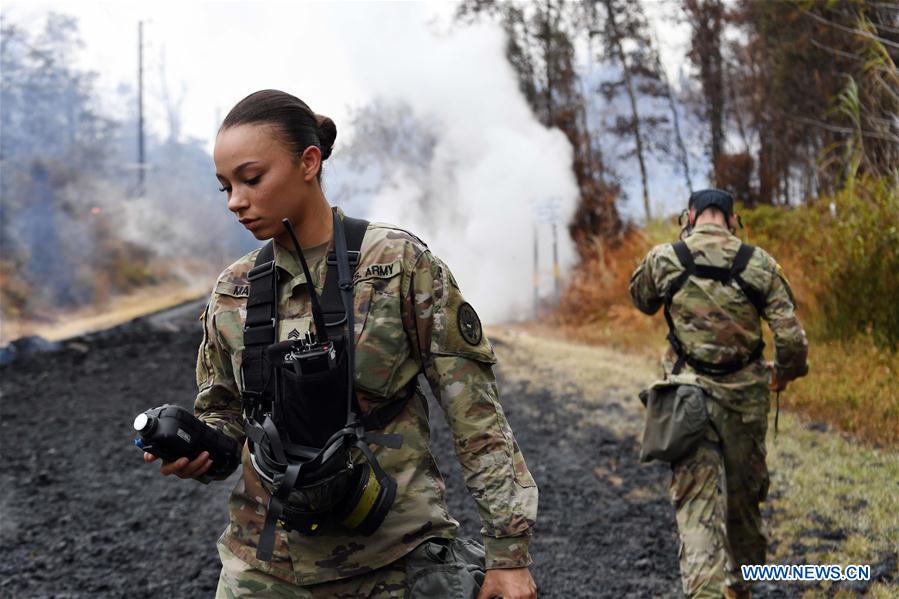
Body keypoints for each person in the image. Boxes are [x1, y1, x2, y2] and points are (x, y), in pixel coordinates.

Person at [143, 89, 538, 599]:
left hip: (392, 565)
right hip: (263, 569)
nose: (237, 201)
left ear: (309, 162)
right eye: (225, 188)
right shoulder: (232, 290)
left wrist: (509, 555)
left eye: (252, 178)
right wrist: (200, 451)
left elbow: (477, 417)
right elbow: (226, 417)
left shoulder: (398, 265)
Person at [629, 189, 808, 599]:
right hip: (746, 401)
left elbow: (641, 300)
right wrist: (782, 374)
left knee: (695, 506)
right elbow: (792, 341)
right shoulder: (760, 263)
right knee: (744, 503)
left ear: (690, 217)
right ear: (731, 219)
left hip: (686, 401)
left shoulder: (665, 257)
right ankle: (739, 587)